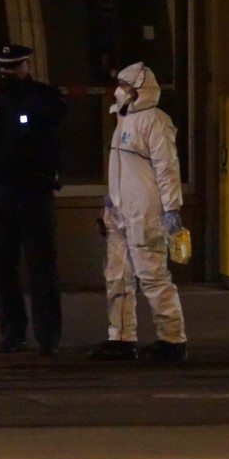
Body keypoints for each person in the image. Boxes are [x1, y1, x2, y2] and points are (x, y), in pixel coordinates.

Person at [0, 43, 65, 356]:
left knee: (41, 265)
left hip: (33, 190)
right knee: (3, 265)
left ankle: (47, 335)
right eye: (4, 68)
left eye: (14, 67)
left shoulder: (43, 96)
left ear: (26, 66)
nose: (8, 72)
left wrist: (24, 96)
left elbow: (57, 120)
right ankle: (12, 332)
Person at [88, 62, 188, 362]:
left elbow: (167, 169)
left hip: (145, 213)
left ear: (139, 89)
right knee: (117, 276)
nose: (120, 90)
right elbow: (121, 168)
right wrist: (110, 201)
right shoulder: (123, 119)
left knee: (153, 276)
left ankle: (172, 339)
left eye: (125, 85)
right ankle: (121, 337)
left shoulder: (155, 122)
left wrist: (171, 210)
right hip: (120, 211)